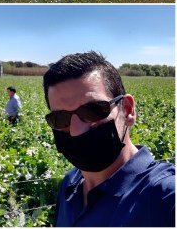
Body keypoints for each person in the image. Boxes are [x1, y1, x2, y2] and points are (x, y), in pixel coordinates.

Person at [43, 51, 175, 226]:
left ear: (127, 110)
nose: (76, 131)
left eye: (93, 111)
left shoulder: (166, 197)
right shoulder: (70, 183)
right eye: (60, 119)